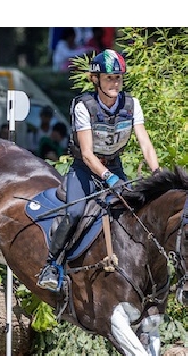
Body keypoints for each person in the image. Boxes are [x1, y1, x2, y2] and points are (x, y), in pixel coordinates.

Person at [37, 49, 162, 292]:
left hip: (114, 164)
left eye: (118, 78)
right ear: (96, 80)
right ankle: (52, 265)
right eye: (109, 78)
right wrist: (109, 177)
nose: (115, 83)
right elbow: (86, 154)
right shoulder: (84, 106)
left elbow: (145, 142)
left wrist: (156, 172)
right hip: (85, 170)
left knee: (133, 211)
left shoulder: (132, 104)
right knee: (74, 213)